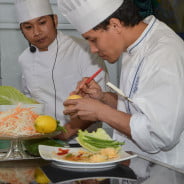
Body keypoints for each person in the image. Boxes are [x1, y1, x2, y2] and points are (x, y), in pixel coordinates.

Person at [58, 0, 184, 169]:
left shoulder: (165, 53)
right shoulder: (133, 44)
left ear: (115, 25)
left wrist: (100, 112)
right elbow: (138, 107)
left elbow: (159, 135)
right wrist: (102, 98)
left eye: (93, 40)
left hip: (165, 171)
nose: (93, 49)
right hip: (137, 167)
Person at [14, 0, 108, 141]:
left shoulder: (84, 49)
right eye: (28, 27)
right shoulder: (24, 58)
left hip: (85, 143)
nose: (37, 32)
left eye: (42, 23)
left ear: (55, 20)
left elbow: (100, 100)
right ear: (22, 30)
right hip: (43, 141)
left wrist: (67, 132)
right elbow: (30, 101)